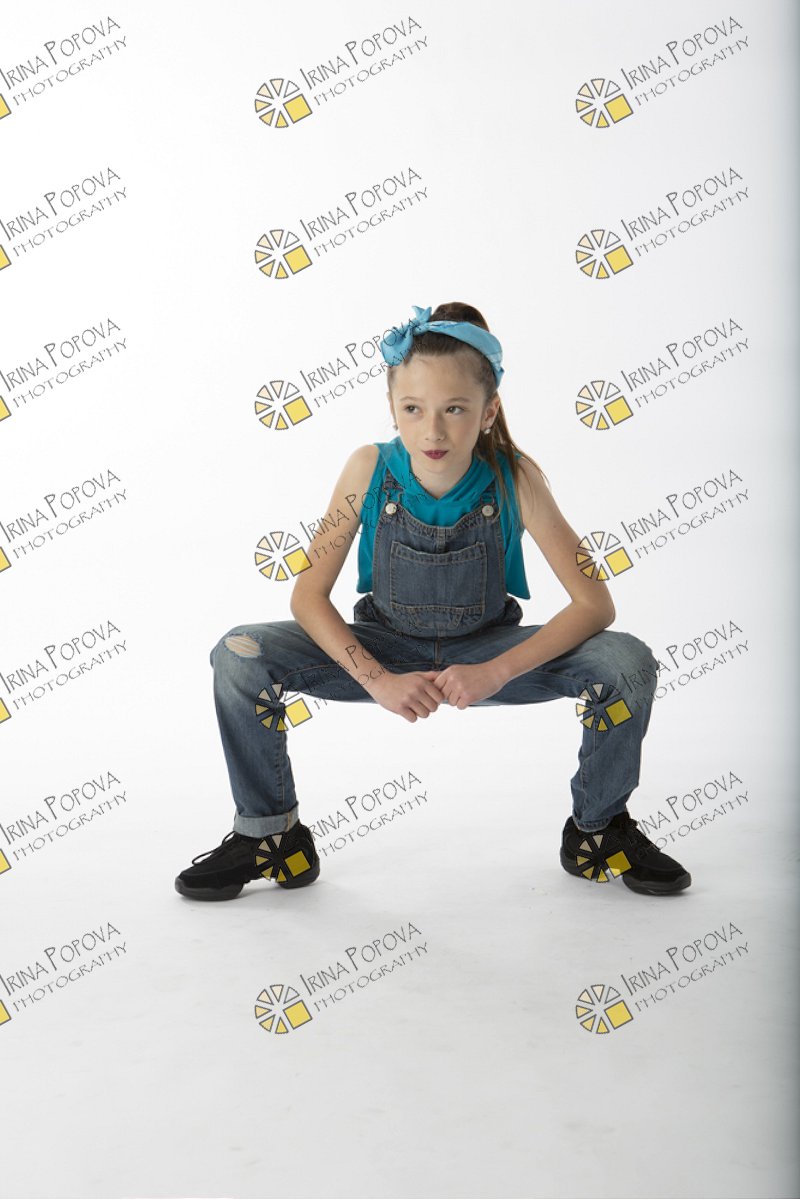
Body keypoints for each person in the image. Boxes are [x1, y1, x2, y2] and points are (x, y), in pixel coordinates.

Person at [175, 301, 691, 901]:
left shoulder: (516, 478)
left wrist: (495, 671)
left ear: (488, 410)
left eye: (455, 409)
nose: (433, 431)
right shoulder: (368, 469)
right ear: (392, 406)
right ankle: (270, 838)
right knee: (239, 654)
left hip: (488, 650)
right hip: (385, 648)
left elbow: (594, 605)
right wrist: (377, 680)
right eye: (413, 409)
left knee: (626, 662)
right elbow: (308, 596)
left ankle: (598, 831)